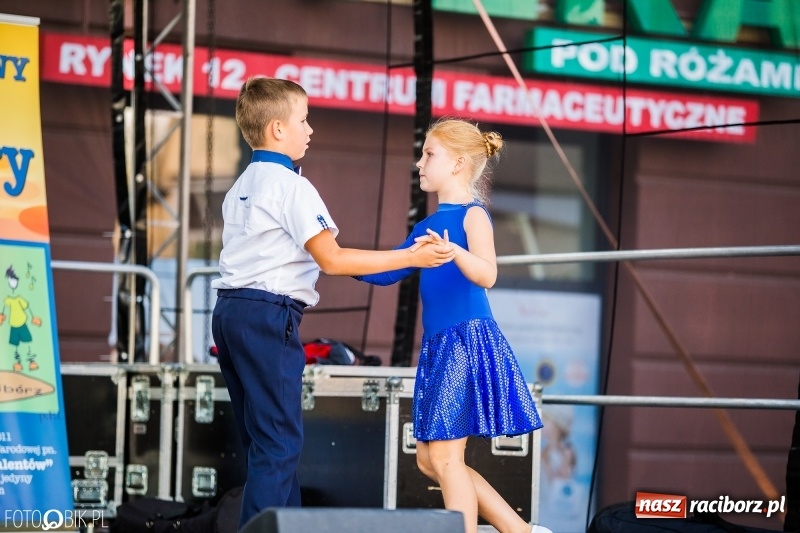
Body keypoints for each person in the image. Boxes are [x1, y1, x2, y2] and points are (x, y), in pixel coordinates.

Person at [210, 77, 455, 529]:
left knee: (266, 444)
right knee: (279, 445)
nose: (310, 130)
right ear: (278, 129)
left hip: (229, 314)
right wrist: (412, 256)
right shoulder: (292, 186)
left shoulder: (242, 185)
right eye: (303, 120)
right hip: (268, 316)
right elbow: (333, 258)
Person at [354, 118, 549, 533]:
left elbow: (488, 274)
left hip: (466, 341)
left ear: (459, 164)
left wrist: (453, 252)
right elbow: (387, 272)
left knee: (445, 459)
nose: (420, 163)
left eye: (430, 155)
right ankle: (522, 531)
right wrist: (329, 258)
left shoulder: (473, 215)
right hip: (440, 346)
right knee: (431, 461)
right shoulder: (424, 228)